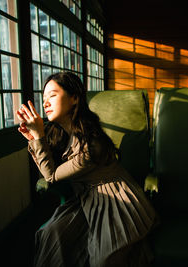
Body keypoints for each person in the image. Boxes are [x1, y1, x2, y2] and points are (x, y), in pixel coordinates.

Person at [16, 72, 158, 267]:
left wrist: (38, 136)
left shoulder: (92, 144)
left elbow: (51, 177)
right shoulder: (58, 134)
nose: (45, 103)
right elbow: (48, 171)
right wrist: (35, 138)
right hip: (84, 200)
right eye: (44, 97)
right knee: (51, 234)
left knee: (104, 259)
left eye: (53, 95)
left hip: (115, 199)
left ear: (74, 98)